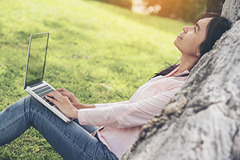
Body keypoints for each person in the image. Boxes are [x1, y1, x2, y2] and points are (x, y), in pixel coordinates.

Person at [0, 12, 232, 160]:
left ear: (202, 49)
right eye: (192, 25)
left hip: (106, 155)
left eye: (195, 30)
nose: (186, 29)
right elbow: (132, 106)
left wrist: (77, 113)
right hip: (106, 138)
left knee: (34, 106)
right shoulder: (174, 75)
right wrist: (82, 105)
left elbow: (128, 114)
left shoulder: (180, 90)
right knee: (46, 104)